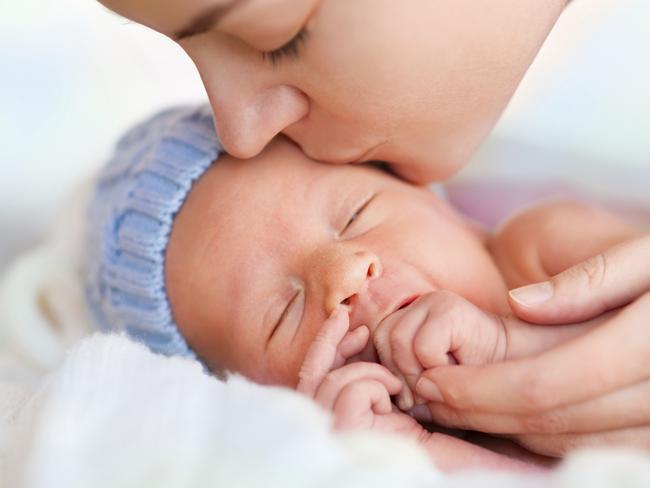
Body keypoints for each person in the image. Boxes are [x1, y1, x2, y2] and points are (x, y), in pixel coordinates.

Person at [95, 0, 650, 456]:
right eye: (281, 317)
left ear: (449, 211)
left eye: (356, 216)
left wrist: (506, 341)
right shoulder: (360, 443)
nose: (343, 276)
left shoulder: (540, 245)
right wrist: (412, 452)